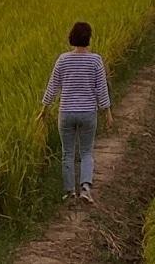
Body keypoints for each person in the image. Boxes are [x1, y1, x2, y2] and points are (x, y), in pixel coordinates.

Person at [37, 21, 113, 203]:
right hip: (88, 112)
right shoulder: (95, 60)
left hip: (66, 112)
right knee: (86, 152)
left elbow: (52, 87)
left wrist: (44, 110)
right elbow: (101, 89)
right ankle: (86, 188)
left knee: (67, 153)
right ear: (89, 39)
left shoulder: (63, 59)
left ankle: (70, 191)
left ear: (71, 37)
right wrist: (107, 113)